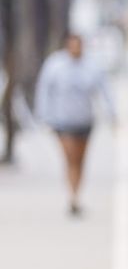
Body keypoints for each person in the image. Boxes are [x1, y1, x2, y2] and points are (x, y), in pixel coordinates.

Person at [34, 32, 114, 216]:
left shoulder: (92, 66)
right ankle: (72, 197)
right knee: (70, 157)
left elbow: (104, 90)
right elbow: (44, 90)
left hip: (84, 120)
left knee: (79, 159)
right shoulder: (55, 65)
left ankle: (76, 193)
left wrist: (113, 114)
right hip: (62, 121)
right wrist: (43, 116)